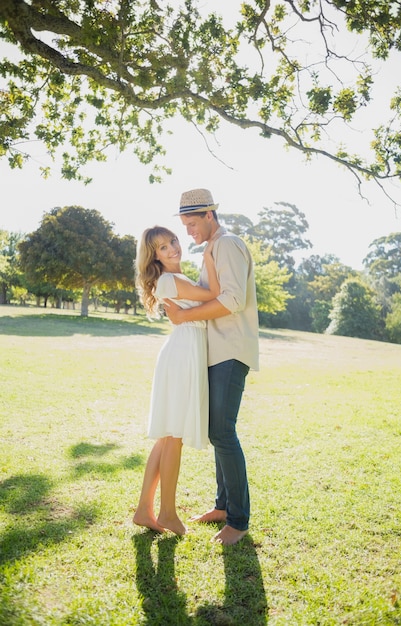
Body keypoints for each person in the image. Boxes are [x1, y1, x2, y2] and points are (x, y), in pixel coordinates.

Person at [164, 188, 259, 546]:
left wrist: (184, 315)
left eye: (192, 223)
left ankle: (238, 520)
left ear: (209, 214)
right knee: (216, 431)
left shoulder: (228, 244)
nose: (188, 231)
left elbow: (232, 300)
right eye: (184, 225)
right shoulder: (211, 249)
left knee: (222, 431)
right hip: (214, 352)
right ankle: (222, 506)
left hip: (230, 351)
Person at [132, 225, 219, 536]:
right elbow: (213, 296)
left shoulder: (177, 278)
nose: (172, 248)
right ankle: (167, 512)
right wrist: (210, 253)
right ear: (154, 256)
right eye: (162, 247)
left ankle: (144, 510)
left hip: (185, 350)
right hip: (183, 354)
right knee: (174, 436)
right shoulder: (169, 279)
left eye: (173, 241)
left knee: (168, 435)